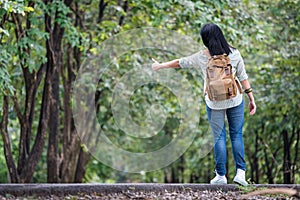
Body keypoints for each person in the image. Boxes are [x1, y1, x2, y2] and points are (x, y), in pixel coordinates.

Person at [151, 23, 256, 186]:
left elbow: (180, 62)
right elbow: (243, 77)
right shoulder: (234, 54)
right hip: (235, 100)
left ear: (205, 40)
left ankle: (221, 176)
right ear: (221, 35)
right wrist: (251, 98)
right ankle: (240, 174)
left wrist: (160, 66)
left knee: (219, 136)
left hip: (214, 103)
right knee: (236, 134)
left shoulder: (202, 57)